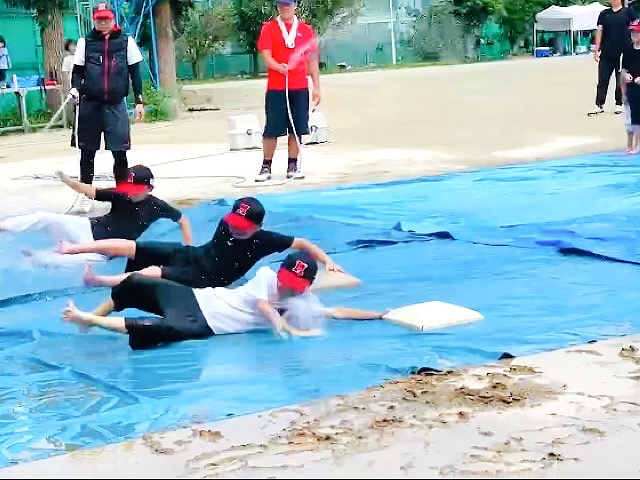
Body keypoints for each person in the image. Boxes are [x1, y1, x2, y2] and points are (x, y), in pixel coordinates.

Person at [62, 253, 383, 350]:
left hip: (206, 323)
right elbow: (264, 307)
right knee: (137, 282)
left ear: (306, 287)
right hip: (197, 298)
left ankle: (88, 320)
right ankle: (90, 318)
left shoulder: (304, 301)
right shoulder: (266, 277)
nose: (287, 288)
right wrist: (288, 328)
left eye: (295, 286)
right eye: (286, 281)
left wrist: (380, 315)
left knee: (155, 329)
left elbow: (337, 312)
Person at [59, 196, 343, 288]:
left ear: (257, 228)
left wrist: (328, 262)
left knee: (153, 273)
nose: (235, 229)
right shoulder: (227, 222)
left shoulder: (267, 240)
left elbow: (304, 243)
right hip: (196, 255)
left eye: (243, 228)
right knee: (137, 247)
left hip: (210, 276)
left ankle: (99, 281)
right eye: (234, 224)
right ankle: (73, 248)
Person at [0, 165, 191, 262]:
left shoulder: (157, 206)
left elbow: (183, 220)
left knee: (69, 261)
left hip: (104, 250)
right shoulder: (121, 194)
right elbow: (90, 191)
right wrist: (68, 181)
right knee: (45, 218)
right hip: (88, 228)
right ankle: (5, 226)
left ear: (149, 188)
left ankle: (38, 257)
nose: (131, 193)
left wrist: (188, 249)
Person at [69, 3, 146, 213]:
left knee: (120, 152)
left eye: (106, 19)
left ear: (113, 20)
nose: (103, 22)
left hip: (115, 105)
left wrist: (139, 101)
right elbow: (77, 71)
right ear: (94, 20)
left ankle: (122, 195)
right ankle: (86, 194)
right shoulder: (85, 42)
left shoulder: (126, 42)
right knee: (87, 152)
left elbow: (135, 72)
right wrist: (75, 88)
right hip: (90, 105)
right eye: (99, 19)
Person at [254, 0, 321, 182]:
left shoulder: (306, 30)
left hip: (299, 86)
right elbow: (266, 57)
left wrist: (316, 86)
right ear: (277, 6)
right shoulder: (269, 28)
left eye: (288, 4)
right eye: (281, 4)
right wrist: (278, 67)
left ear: (295, 5)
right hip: (277, 86)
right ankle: (266, 166)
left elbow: (312, 60)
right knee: (272, 128)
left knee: (297, 127)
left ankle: (292, 165)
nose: (285, 7)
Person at [591, 0, 637, 116]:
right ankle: (599, 104)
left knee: (619, 79)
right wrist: (596, 49)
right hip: (607, 52)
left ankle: (619, 103)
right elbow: (600, 31)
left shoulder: (628, 12)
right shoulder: (604, 14)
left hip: (623, 52)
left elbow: (636, 29)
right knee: (603, 79)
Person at [621, 20, 640, 154]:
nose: (634, 34)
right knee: (628, 119)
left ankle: (637, 145)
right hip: (630, 88)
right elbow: (622, 70)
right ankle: (629, 144)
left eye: (637, 32)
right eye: (632, 32)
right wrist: (624, 75)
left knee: (638, 118)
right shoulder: (627, 49)